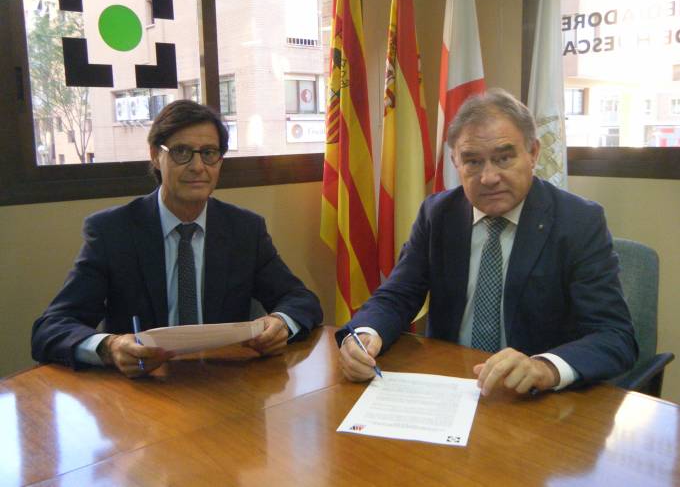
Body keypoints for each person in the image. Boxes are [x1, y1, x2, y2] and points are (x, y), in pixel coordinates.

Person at [338, 89, 637, 395]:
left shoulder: (578, 221)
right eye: (472, 162)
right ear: (455, 162)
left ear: (533, 153)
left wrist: (545, 367)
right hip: (451, 386)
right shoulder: (438, 214)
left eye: (504, 158)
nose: (489, 178)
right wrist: (365, 333)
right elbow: (398, 295)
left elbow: (614, 335)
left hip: (535, 399)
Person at [32, 100, 323, 377]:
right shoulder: (113, 232)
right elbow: (51, 327)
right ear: (155, 156)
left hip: (226, 384)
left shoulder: (245, 230)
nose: (197, 166)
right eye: (181, 152)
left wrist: (280, 323)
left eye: (209, 153)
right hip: (143, 388)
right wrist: (110, 347)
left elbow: (300, 300)